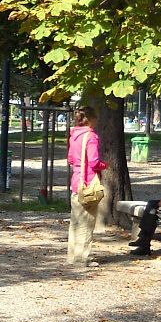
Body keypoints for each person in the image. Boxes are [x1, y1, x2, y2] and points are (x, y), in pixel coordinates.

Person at [66, 105, 107, 265]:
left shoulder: (74, 135)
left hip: (76, 182)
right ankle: (82, 258)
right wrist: (105, 166)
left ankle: (72, 256)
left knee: (75, 221)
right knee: (86, 222)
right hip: (88, 184)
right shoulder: (90, 136)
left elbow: (70, 159)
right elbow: (94, 161)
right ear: (91, 119)